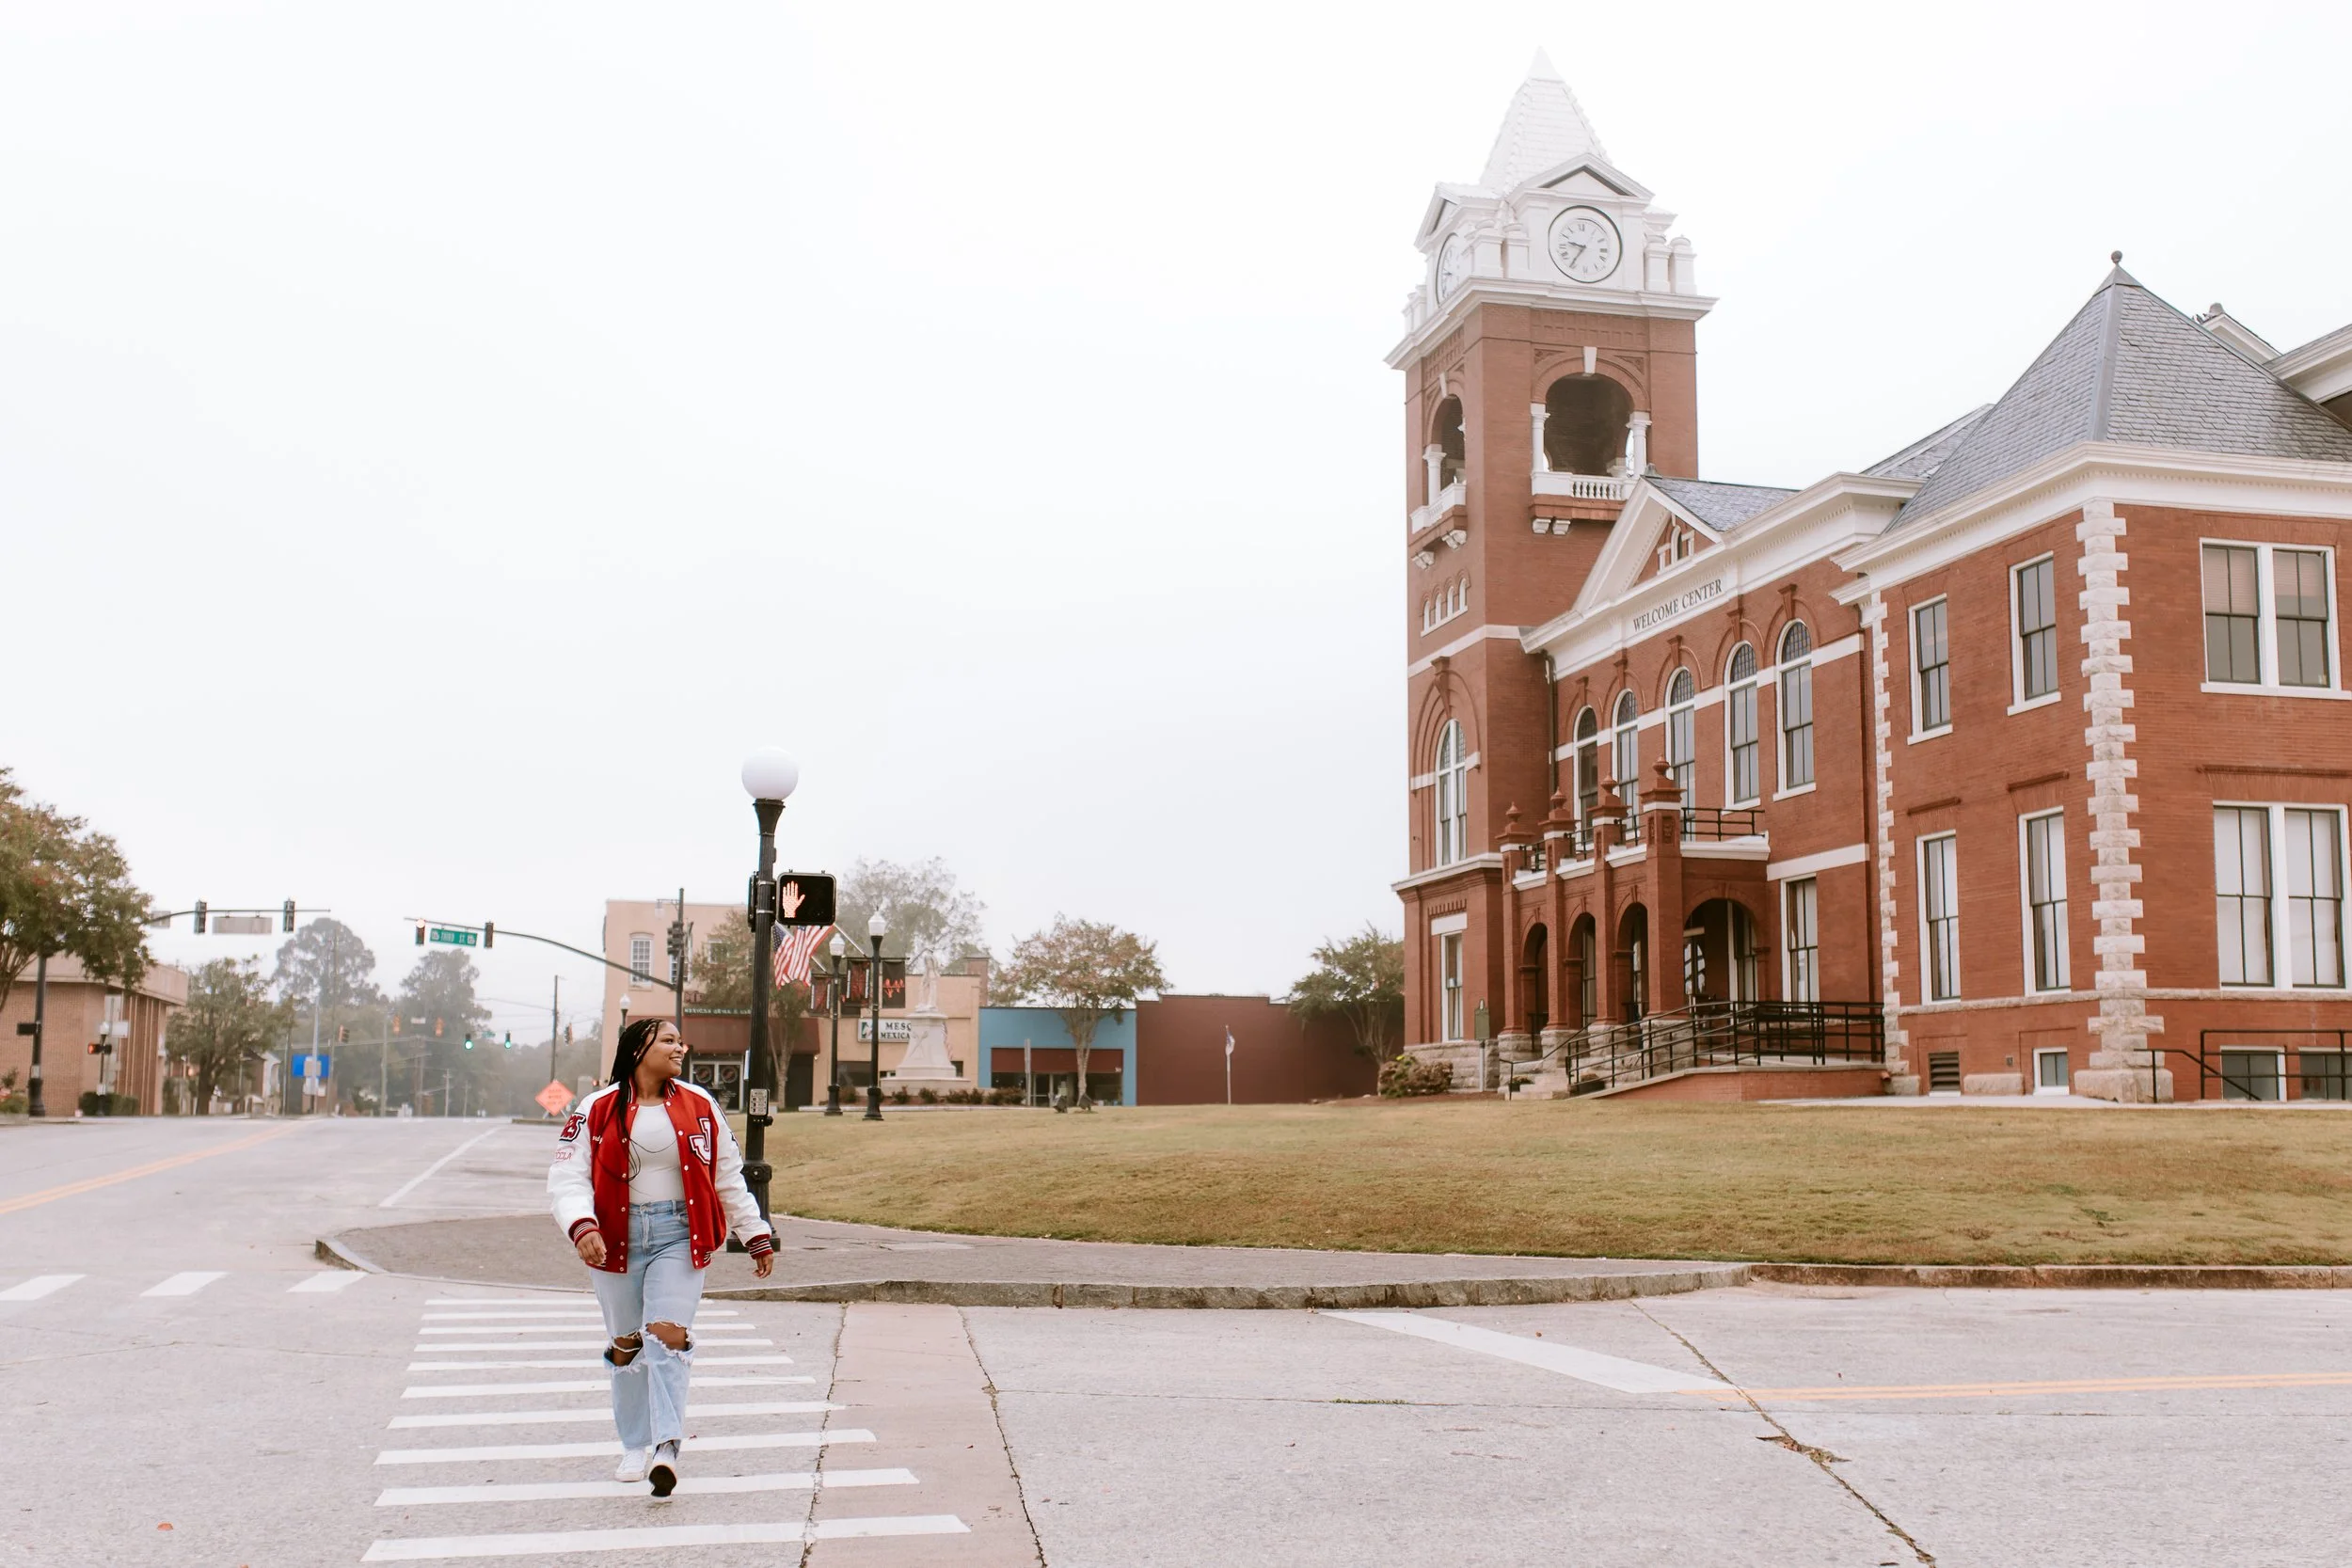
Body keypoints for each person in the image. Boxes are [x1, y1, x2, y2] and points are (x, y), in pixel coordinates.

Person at [548, 1017, 776, 1497]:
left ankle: (667, 1446)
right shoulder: (595, 1108)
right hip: (615, 1235)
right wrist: (580, 1224)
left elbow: (728, 1174)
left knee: (666, 1334)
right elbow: (568, 1177)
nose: (680, 1047)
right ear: (638, 1049)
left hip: (680, 1232)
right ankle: (635, 1443)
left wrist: (754, 1230)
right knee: (627, 1342)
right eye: (668, 1040)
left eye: (679, 1040)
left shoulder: (700, 1105)